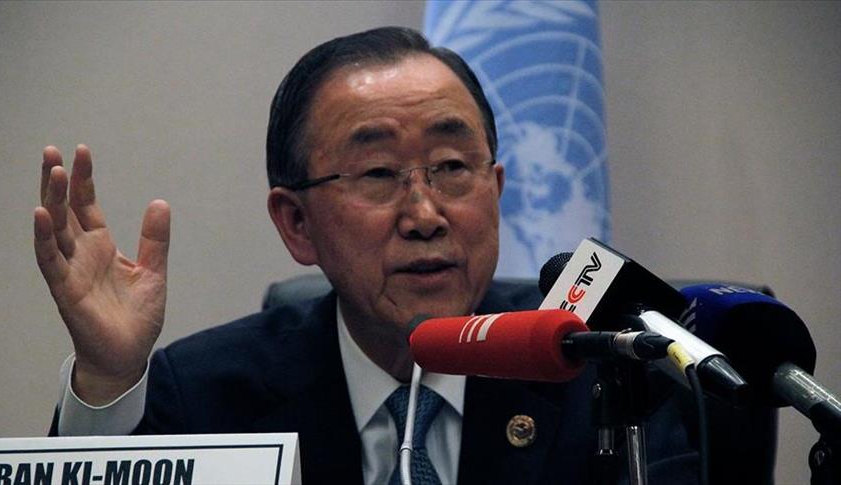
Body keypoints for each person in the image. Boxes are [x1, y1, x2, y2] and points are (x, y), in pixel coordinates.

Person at [35, 27, 698, 484]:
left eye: (452, 166)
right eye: (378, 173)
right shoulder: (207, 398)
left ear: (495, 191)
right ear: (296, 223)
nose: (425, 216)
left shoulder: (605, 372)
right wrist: (108, 382)